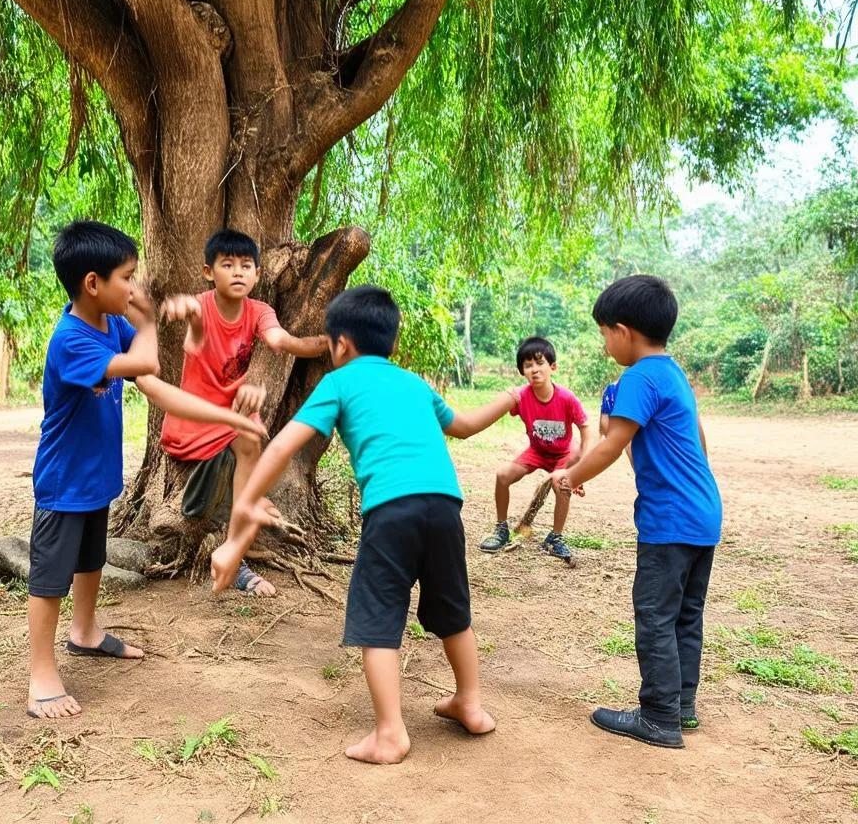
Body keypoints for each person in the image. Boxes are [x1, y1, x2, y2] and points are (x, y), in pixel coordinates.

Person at [211, 285, 518, 764]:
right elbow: (462, 425)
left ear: (340, 345)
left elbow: (281, 446)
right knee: (452, 610)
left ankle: (390, 734)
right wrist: (507, 400)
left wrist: (247, 504)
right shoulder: (413, 383)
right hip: (444, 508)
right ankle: (471, 704)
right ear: (391, 344)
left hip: (391, 511)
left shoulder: (338, 383)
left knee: (377, 619)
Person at [27, 221, 267, 720]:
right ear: (93, 284)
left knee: (91, 558)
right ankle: (41, 675)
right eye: (128, 278)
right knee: (50, 579)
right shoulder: (72, 339)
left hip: (94, 478)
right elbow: (148, 365)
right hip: (62, 482)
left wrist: (226, 416)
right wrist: (152, 324)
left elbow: (155, 388)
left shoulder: (109, 325)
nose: (135, 289)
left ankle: (85, 632)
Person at [550, 274, 722, 749]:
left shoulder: (637, 377)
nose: (605, 345)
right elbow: (696, 440)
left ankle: (659, 718)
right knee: (686, 614)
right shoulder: (673, 372)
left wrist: (570, 476)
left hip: (668, 520)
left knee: (654, 616)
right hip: (703, 511)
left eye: (604, 334)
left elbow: (610, 445)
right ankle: (682, 706)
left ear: (623, 331)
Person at [159, 228, 327, 596]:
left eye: (246, 265)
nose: (237, 272)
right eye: (228, 264)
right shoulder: (200, 306)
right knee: (249, 437)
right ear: (208, 272)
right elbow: (195, 333)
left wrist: (326, 344)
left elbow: (280, 341)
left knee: (252, 436)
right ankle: (249, 506)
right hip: (197, 416)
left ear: (258, 274)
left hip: (233, 415)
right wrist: (188, 314)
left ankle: (235, 544)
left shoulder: (259, 311)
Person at [478, 336, 590, 558]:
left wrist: (582, 467)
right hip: (537, 451)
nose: (534, 370)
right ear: (522, 371)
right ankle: (501, 529)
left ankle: (555, 537)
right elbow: (499, 407)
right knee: (502, 475)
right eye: (528, 366)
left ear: (552, 367)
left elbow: (585, 428)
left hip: (563, 453)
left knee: (562, 484)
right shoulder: (520, 397)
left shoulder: (567, 398)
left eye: (540, 363)